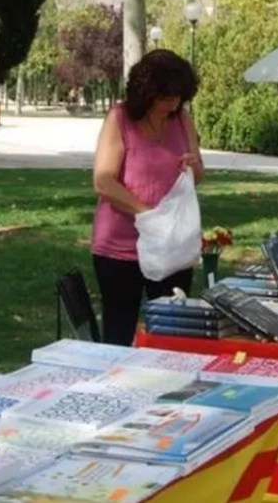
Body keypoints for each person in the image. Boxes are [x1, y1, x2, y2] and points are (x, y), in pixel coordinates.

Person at [91, 49, 204, 346]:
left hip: (172, 246)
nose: (174, 104)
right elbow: (103, 181)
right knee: (119, 331)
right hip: (120, 247)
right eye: (167, 97)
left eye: (179, 97)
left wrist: (193, 167)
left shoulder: (182, 120)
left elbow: (198, 173)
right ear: (147, 92)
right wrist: (149, 216)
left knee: (173, 331)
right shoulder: (120, 119)